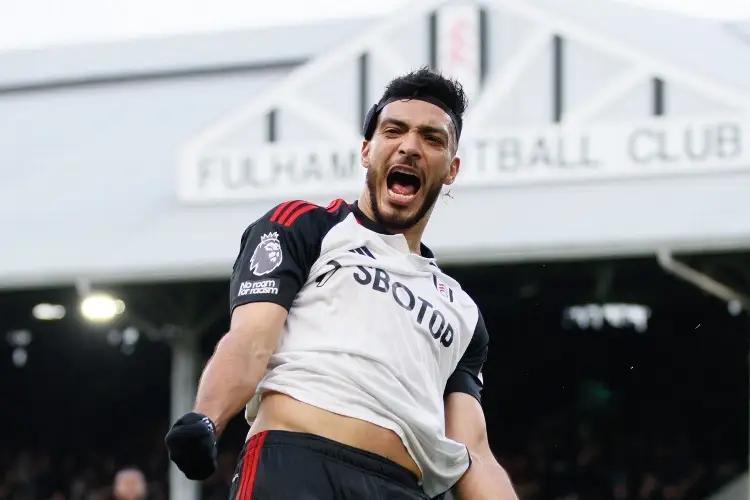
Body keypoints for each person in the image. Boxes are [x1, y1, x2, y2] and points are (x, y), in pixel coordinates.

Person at [165, 67, 518, 500]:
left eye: (432, 138)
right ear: (367, 151)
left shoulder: (463, 313)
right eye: (394, 131)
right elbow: (252, 340)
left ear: (451, 169)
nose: (409, 146)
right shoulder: (304, 226)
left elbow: (474, 453)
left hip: (402, 488)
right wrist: (208, 417)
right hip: (296, 466)